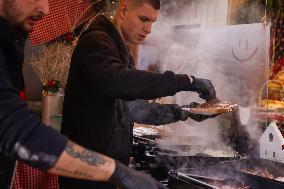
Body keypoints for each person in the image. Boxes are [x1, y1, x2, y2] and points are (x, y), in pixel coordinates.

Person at [0, 0, 168, 189]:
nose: (45, 9)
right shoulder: (97, 41)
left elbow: (125, 107)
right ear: (123, 10)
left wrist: (172, 112)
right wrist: (117, 171)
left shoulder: (10, 40)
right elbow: (16, 129)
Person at [60, 0, 218, 188]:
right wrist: (186, 81)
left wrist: (183, 112)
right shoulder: (96, 41)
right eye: (143, 19)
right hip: (85, 170)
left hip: (107, 170)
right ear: (124, 9)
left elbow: (133, 108)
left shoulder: (120, 50)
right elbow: (118, 82)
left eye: (153, 22)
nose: (149, 29)